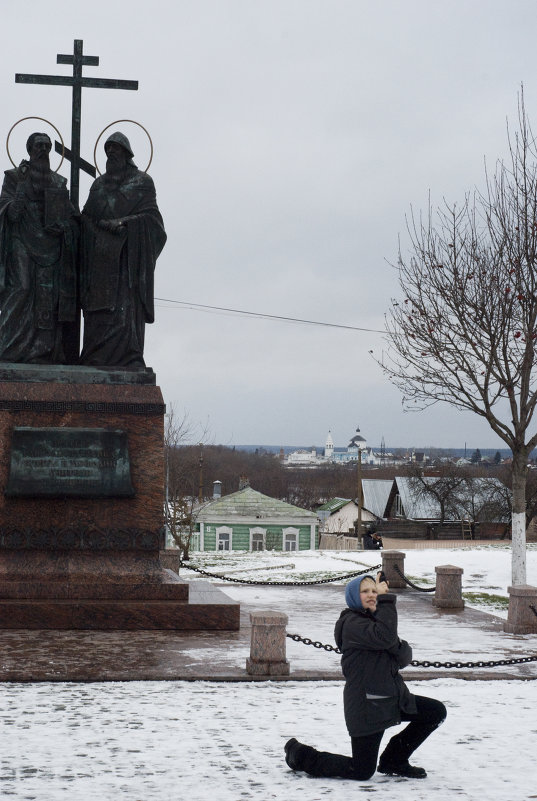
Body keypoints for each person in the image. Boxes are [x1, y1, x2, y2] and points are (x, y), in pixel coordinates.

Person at [284, 573, 446, 780]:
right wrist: (386, 603)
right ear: (353, 597)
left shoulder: (376, 622)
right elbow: (387, 638)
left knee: (435, 712)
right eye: (365, 591)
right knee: (361, 770)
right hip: (367, 706)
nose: (372, 595)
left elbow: (404, 657)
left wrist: (392, 641)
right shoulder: (352, 624)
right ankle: (300, 754)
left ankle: (394, 760)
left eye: (374, 590)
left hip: (392, 698)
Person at [79, 132, 166, 369]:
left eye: (116, 150)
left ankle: (129, 357)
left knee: (125, 312)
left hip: (128, 260)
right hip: (100, 261)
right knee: (99, 313)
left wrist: (124, 223)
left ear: (127, 154)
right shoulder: (98, 185)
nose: (111, 154)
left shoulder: (143, 182)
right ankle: (95, 358)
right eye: (108, 151)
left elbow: (153, 221)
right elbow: (85, 218)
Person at [0, 132, 78, 363]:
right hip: (21, 240)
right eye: (38, 146)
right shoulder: (14, 177)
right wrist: (23, 187)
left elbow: (72, 217)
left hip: (50, 245)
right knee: (22, 289)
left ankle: (42, 353)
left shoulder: (58, 182)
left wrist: (65, 228)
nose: (43, 150)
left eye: (47, 146)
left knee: (47, 296)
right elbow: (9, 212)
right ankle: (9, 349)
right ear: (30, 150)